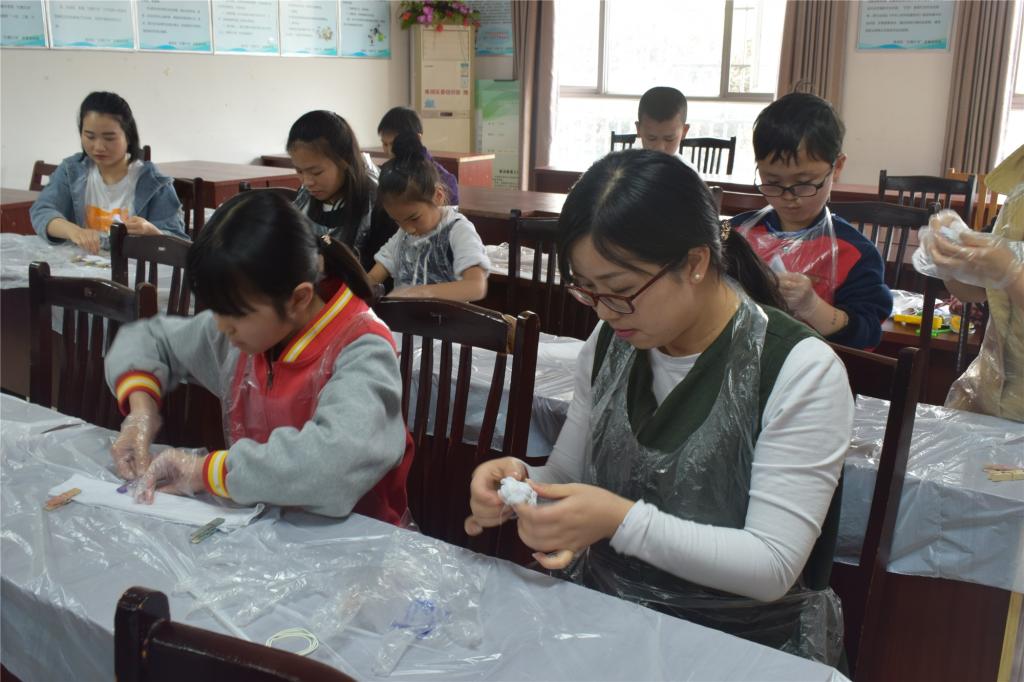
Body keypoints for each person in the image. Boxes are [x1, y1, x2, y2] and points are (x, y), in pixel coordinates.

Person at [465, 150, 851, 665]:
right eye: (588, 292)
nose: (606, 312)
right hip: (610, 618)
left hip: (743, 647)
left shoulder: (798, 370)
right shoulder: (611, 341)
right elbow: (566, 475)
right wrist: (520, 485)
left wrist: (618, 520)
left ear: (695, 263)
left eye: (622, 291)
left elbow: (771, 566)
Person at [105, 191, 413, 523]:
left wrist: (205, 471)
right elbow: (147, 338)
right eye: (217, 311)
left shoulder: (362, 349)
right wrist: (141, 412)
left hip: (354, 537)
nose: (221, 327)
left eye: (234, 313)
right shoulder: (244, 330)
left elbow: (331, 467)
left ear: (298, 299)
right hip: (264, 527)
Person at [733, 93, 892, 350]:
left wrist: (812, 307)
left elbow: (868, 333)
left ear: (837, 167)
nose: (788, 197)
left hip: (813, 370)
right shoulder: (735, 233)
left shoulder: (855, 253)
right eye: (772, 182)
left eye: (804, 183)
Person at [923, 144, 1024, 422]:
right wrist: (951, 260)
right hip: (991, 396)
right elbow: (976, 291)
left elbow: (1006, 272)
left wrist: (1012, 273)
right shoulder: (1019, 188)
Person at [30, 91, 186, 253]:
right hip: (80, 264)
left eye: (109, 138)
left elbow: (179, 243)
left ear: (129, 136)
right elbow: (42, 211)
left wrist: (152, 232)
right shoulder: (71, 170)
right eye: (90, 137)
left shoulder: (153, 182)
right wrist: (74, 231)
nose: (98, 147)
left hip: (131, 267)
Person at [368, 132, 490, 302]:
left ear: (438, 196)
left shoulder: (458, 230)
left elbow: (476, 286)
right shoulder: (403, 235)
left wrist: (418, 292)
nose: (408, 229)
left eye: (414, 218)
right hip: (406, 318)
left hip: (448, 319)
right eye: (397, 221)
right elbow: (373, 278)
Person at [287, 110, 396, 271]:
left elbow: (383, 271)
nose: (307, 182)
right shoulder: (305, 197)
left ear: (345, 160)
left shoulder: (378, 205)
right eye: (299, 171)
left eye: (316, 172)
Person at [378, 106, 459, 204]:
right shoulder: (389, 170)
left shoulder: (445, 181)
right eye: (385, 144)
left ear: (417, 138)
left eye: (394, 144)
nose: (389, 151)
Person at [634, 86, 694, 169]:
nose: (659, 148)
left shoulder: (688, 172)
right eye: (651, 138)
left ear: (684, 131)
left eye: (669, 139)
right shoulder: (625, 169)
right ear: (638, 129)